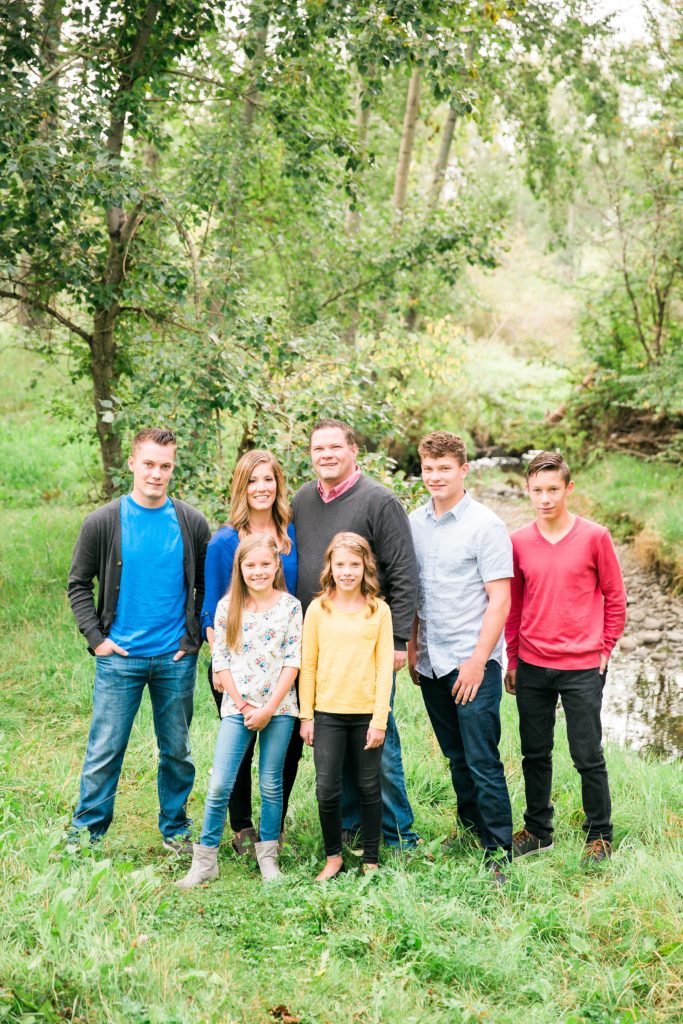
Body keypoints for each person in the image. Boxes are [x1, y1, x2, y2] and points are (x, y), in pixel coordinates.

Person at [67, 427, 211, 851]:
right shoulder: (103, 521)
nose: (156, 473)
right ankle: (86, 833)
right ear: (132, 463)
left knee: (178, 752)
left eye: (165, 466)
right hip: (119, 658)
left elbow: (206, 585)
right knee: (105, 750)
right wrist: (97, 639)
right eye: (148, 464)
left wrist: (193, 641)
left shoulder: (191, 522)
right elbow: (78, 584)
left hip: (174, 659)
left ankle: (176, 829)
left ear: (173, 468)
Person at [291, 418, 420, 850]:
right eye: (317, 449)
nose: (325, 455)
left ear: (353, 451)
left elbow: (404, 573)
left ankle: (397, 831)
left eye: (334, 447)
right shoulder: (303, 500)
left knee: (377, 739)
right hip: (324, 639)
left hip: (370, 641)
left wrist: (401, 640)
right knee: (336, 737)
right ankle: (349, 822)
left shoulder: (380, 502)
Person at [504, 451, 626, 864]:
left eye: (553, 489)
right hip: (534, 663)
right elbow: (514, 604)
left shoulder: (595, 536)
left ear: (568, 489)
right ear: (528, 490)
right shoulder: (518, 541)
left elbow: (616, 596)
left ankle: (600, 835)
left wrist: (605, 648)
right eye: (537, 490)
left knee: (587, 754)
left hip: (582, 666)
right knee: (534, 752)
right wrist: (514, 658)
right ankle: (538, 830)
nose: (545, 498)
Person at [408, 431, 514, 882]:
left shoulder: (485, 525)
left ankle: (499, 851)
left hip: (473, 661)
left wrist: (477, 661)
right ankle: (470, 829)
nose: (435, 476)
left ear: (463, 470)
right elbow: (412, 592)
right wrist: (413, 647)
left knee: (481, 757)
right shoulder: (413, 522)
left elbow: (501, 599)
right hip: (431, 659)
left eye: (444, 468)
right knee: (455, 755)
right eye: (428, 469)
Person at [178, 534, 302, 887]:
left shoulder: (291, 607)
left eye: (265, 564)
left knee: (271, 783)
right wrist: (246, 705)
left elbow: (293, 661)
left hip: (279, 707)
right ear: (240, 568)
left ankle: (268, 859)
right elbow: (222, 660)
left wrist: (269, 707)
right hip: (238, 705)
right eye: (251, 565)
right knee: (219, 783)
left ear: (276, 565)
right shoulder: (228, 605)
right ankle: (205, 861)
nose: (258, 571)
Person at [201, 449, 297, 856]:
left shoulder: (292, 536)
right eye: (253, 481)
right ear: (242, 487)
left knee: (284, 749)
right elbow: (210, 609)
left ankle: (273, 826)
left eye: (268, 479)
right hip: (235, 666)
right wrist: (221, 668)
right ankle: (241, 825)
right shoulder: (225, 541)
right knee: (238, 745)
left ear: (278, 485)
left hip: (285, 660)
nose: (262, 488)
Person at [300, 533, 393, 879]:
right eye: (340, 564)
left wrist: (380, 719)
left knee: (369, 786)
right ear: (330, 567)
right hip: (327, 714)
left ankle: (371, 857)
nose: (347, 571)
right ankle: (334, 857)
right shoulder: (318, 609)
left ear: (365, 567)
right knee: (327, 788)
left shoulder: (378, 611)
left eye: (354, 564)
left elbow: (385, 668)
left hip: (366, 713)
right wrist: (306, 715)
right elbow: (307, 664)